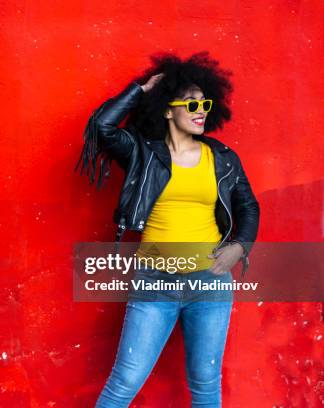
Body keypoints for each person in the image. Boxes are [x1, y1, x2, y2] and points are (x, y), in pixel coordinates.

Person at [78, 52, 259, 407]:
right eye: (190, 104)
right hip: (155, 282)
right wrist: (141, 89)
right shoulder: (143, 153)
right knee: (125, 381)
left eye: (204, 103)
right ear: (167, 110)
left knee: (206, 383)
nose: (200, 110)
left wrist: (240, 246)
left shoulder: (222, 157)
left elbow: (247, 206)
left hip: (209, 282)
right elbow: (101, 128)